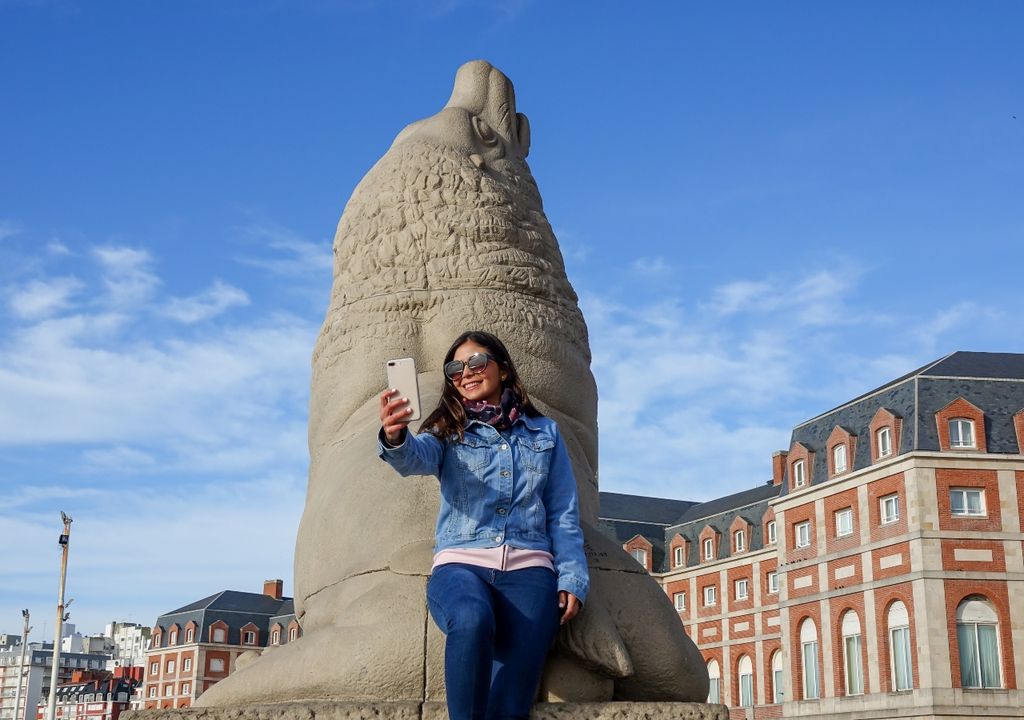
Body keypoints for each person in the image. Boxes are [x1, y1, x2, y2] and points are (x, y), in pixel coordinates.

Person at [378, 330, 589, 720]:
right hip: (461, 565)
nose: (466, 373)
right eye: (456, 367)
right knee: (471, 618)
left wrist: (572, 578)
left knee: (509, 706)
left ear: (504, 370)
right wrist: (395, 436)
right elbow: (413, 458)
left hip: (530, 573)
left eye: (477, 362)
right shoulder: (446, 430)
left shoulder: (545, 433)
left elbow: (563, 511)